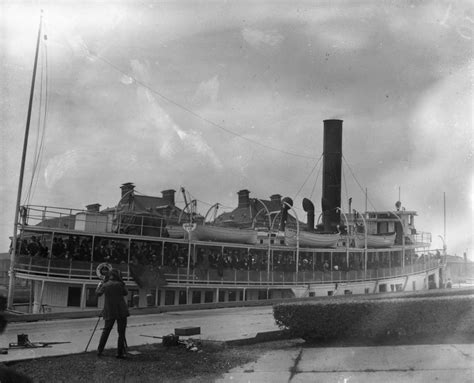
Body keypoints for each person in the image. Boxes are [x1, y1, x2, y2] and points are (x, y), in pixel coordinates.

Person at [96, 269, 129, 358]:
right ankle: (119, 353)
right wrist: (122, 283)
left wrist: (99, 285)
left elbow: (98, 293)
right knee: (121, 332)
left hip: (109, 311)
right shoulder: (120, 284)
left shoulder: (105, 285)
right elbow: (125, 293)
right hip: (121, 310)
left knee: (106, 331)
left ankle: (100, 350)